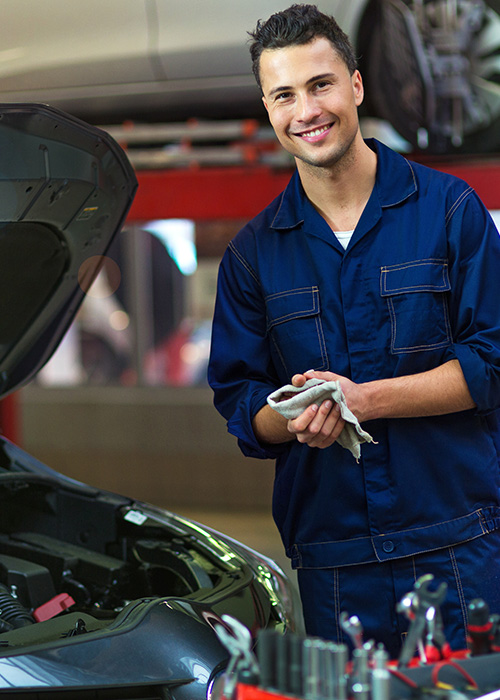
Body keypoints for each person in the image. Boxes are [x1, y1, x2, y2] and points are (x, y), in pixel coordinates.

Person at [208, 3, 500, 658]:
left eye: (320, 85)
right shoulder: (254, 255)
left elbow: (494, 364)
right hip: (336, 567)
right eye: (284, 94)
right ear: (267, 105)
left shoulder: (449, 211)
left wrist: (361, 401)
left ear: (357, 85)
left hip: (456, 549)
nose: (305, 110)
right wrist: (293, 418)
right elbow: (241, 407)